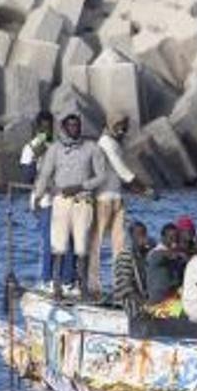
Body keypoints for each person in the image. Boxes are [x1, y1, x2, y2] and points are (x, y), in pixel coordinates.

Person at [32, 111, 108, 302]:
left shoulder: (92, 148)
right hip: (60, 202)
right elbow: (45, 175)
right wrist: (37, 197)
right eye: (71, 125)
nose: (75, 128)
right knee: (59, 245)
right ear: (64, 128)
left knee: (81, 247)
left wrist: (81, 186)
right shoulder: (55, 149)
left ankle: (81, 287)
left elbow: (102, 176)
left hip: (83, 201)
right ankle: (57, 286)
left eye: (77, 125)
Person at [89, 114, 153, 295]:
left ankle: (120, 286)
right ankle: (94, 287)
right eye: (118, 126)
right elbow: (122, 170)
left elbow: (121, 176)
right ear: (109, 125)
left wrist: (139, 190)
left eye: (125, 127)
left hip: (116, 198)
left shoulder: (115, 143)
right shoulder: (106, 142)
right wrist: (144, 190)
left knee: (119, 245)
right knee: (97, 244)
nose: (122, 130)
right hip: (102, 199)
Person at [20, 111, 74, 289]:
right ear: (37, 128)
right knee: (49, 241)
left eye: (49, 126)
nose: (47, 130)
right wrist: (38, 155)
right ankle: (47, 280)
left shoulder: (58, 144)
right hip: (43, 201)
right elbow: (27, 177)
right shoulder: (30, 148)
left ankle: (68, 281)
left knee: (68, 241)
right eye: (43, 127)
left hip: (62, 198)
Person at [112, 221, 151, 318]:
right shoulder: (125, 256)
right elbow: (125, 287)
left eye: (144, 234)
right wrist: (144, 303)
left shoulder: (146, 255)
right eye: (139, 235)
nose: (143, 238)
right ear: (132, 237)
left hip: (145, 299)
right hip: (130, 303)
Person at [145, 223, 185, 304]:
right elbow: (162, 254)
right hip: (159, 302)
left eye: (176, 238)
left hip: (172, 297)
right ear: (163, 237)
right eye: (171, 237)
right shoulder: (156, 253)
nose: (174, 240)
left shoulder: (175, 252)